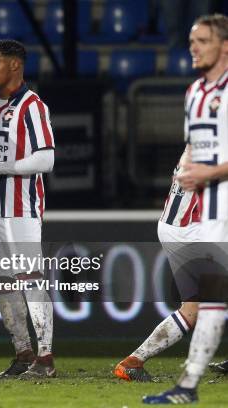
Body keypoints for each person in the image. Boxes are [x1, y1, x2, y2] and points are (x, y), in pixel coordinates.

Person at [143, 13, 228, 404]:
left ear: (223, 47)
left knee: (202, 305)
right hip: (207, 216)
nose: (193, 47)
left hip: (205, 215)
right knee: (206, 304)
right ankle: (187, 387)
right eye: (191, 41)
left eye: (203, 41)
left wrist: (204, 172)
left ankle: (178, 383)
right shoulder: (196, 92)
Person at [0, 39, 56, 378]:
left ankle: (46, 357)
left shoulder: (32, 106)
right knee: (4, 282)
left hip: (21, 208)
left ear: (14, 65)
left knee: (31, 278)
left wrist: (0, 168)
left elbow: (46, 158)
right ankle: (23, 353)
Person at [114, 152, 201, 382]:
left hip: (173, 226)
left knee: (193, 308)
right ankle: (133, 361)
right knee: (196, 307)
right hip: (191, 230)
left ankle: (134, 361)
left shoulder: (199, 140)